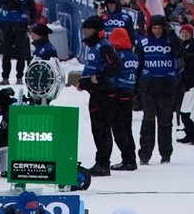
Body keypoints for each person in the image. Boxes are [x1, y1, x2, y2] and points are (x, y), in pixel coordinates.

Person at [77, 15, 120, 176]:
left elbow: (115, 66)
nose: (84, 33)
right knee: (97, 129)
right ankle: (100, 162)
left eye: (86, 30)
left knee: (102, 129)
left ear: (93, 30)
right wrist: (84, 82)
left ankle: (103, 163)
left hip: (104, 94)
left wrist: (99, 78)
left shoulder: (104, 46)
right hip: (96, 93)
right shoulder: (96, 46)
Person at [136, 15, 182, 165]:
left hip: (166, 85)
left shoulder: (171, 41)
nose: (157, 31)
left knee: (165, 121)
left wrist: (172, 35)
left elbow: (181, 53)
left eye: (159, 28)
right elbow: (138, 64)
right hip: (148, 85)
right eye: (154, 28)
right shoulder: (142, 42)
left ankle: (166, 153)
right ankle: (144, 154)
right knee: (148, 119)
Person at [108, 27, 139, 171]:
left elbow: (113, 73)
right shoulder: (133, 55)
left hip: (118, 94)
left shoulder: (118, 55)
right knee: (127, 127)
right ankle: (130, 157)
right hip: (129, 93)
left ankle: (128, 159)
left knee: (118, 128)